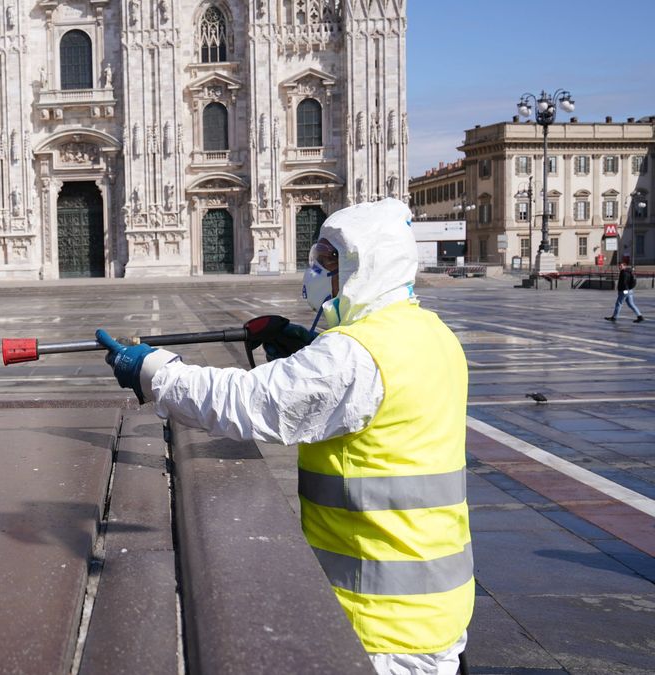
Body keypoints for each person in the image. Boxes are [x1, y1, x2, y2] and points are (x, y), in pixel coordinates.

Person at [97, 198, 473, 675]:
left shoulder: (356, 355)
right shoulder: (428, 332)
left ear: (365, 264)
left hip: (380, 624)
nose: (315, 271)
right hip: (436, 607)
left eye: (329, 261)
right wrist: (307, 344)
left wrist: (156, 373)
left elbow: (252, 404)